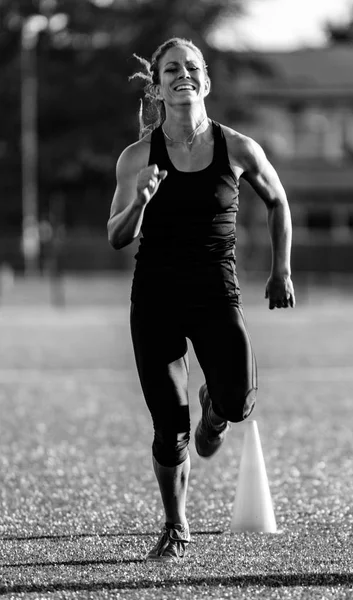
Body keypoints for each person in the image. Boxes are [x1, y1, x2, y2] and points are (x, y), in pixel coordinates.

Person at [107, 37, 295, 562]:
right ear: (159, 86)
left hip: (216, 294)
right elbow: (117, 236)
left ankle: (215, 409)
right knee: (169, 428)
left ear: (205, 82)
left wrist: (281, 270)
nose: (182, 74)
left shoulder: (238, 147)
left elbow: (278, 202)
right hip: (156, 302)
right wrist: (140, 202)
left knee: (237, 403)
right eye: (172, 69)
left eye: (192, 67)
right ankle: (175, 524)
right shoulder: (137, 157)